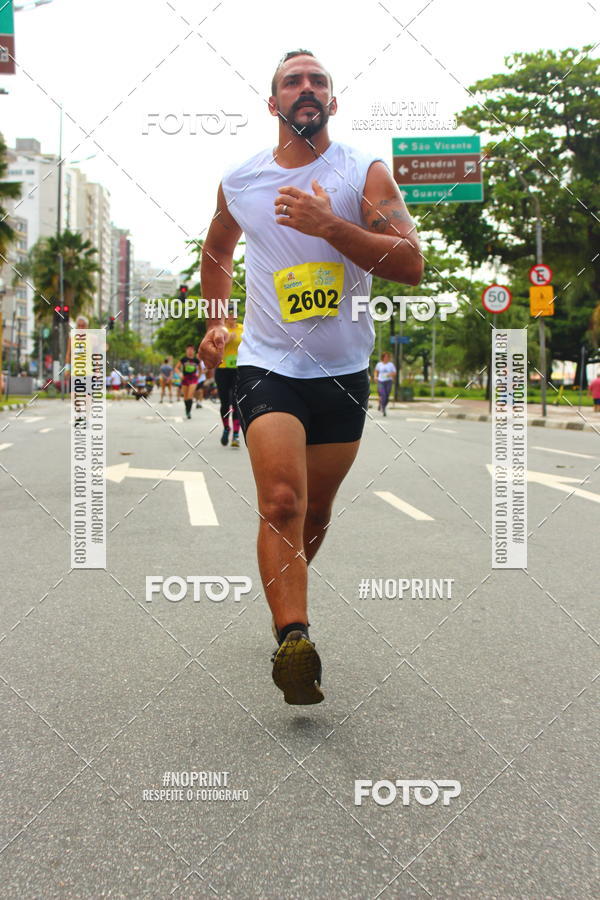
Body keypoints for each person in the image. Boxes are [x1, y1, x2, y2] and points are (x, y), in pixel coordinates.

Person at [199, 49, 422, 705]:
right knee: (281, 502)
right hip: (267, 363)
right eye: (293, 81)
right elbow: (217, 249)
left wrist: (330, 226)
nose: (307, 87)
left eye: (318, 80)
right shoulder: (241, 180)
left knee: (316, 511)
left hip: (344, 370)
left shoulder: (364, 172)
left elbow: (411, 263)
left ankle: (283, 593)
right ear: (273, 103)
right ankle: (293, 638)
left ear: (332, 100)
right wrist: (217, 321)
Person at [215, 312, 243, 447]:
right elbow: (215, 348)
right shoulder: (220, 330)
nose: (232, 317)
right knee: (225, 403)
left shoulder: (243, 328)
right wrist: (227, 341)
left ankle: (236, 435)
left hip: (238, 370)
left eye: (234, 314)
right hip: (222, 369)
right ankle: (226, 428)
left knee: (237, 402)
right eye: (230, 314)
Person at [175, 344, 201, 419]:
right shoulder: (183, 359)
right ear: (186, 351)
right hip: (185, 378)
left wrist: (198, 376)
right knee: (186, 397)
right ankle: (187, 409)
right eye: (188, 349)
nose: (190, 351)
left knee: (190, 395)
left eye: (191, 350)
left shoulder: (196, 360)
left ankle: (189, 412)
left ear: (194, 351)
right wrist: (180, 374)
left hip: (193, 379)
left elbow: (200, 369)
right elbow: (176, 368)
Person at [374, 351, 396, 416]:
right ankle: (383, 408)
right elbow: (376, 371)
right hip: (381, 381)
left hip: (388, 381)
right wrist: (375, 377)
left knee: (387, 396)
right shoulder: (379, 364)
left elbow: (394, 373)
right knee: (383, 394)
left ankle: (382, 404)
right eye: (385, 357)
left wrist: (389, 374)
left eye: (387, 357)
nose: (386, 358)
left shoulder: (391, 365)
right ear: (382, 357)